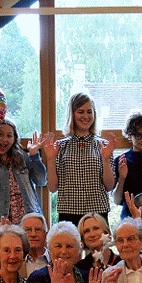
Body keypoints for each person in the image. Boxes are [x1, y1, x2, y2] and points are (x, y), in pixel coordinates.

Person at [42, 92, 114, 223]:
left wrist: (106, 159)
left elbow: (109, 186)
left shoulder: (103, 145)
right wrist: (51, 160)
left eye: (89, 112)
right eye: (81, 112)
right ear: (72, 114)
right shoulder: (60, 146)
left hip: (97, 214)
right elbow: (52, 188)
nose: (86, 116)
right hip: (68, 214)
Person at [0, 119, 46, 224]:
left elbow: (41, 180)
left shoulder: (22, 157)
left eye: (9, 136)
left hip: (28, 215)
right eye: (0, 134)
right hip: (1, 219)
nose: (4, 139)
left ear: (14, 139)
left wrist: (34, 154)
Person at [75, 212, 120, 277]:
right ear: (82, 238)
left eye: (96, 228)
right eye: (86, 231)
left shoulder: (122, 262)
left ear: (106, 232)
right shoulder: (79, 269)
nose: (92, 234)